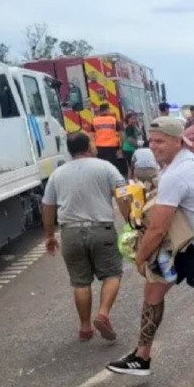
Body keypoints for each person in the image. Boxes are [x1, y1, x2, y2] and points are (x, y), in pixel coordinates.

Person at [106, 117, 194, 377]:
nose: (154, 146)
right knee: (153, 290)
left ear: (178, 140)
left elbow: (157, 228)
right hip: (182, 243)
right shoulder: (181, 162)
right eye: (151, 141)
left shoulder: (178, 173)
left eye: (160, 141)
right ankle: (142, 356)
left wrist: (140, 257)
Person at [42, 132, 130, 342]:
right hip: (101, 229)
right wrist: (130, 223)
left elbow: (48, 206)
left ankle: (85, 327)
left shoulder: (58, 174)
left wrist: (49, 236)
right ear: (90, 146)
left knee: (80, 282)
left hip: (70, 232)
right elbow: (123, 196)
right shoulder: (106, 167)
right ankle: (103, 313)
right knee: (112, 274)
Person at [92, 104, 123, 171]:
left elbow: (91, 135)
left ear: (100, 111)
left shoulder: (95, 121)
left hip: (99, 147)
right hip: (112, 146)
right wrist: (122, 145)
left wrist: (93, 147)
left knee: (102, 165)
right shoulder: (113, 120)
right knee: (112, 165)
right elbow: (121, 133)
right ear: (107, 110)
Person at [121, 112, 140, 178]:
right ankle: (132, 183)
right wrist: (138, 145)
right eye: (132, 119)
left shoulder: (132, 127)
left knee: (131, 168)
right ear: (128, 119)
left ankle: (131, 182)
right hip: (129, 150)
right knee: (132, 168)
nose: (134, 120)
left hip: (129, 149)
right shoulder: (129, 128)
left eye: (135, 119)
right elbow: (130, 140)